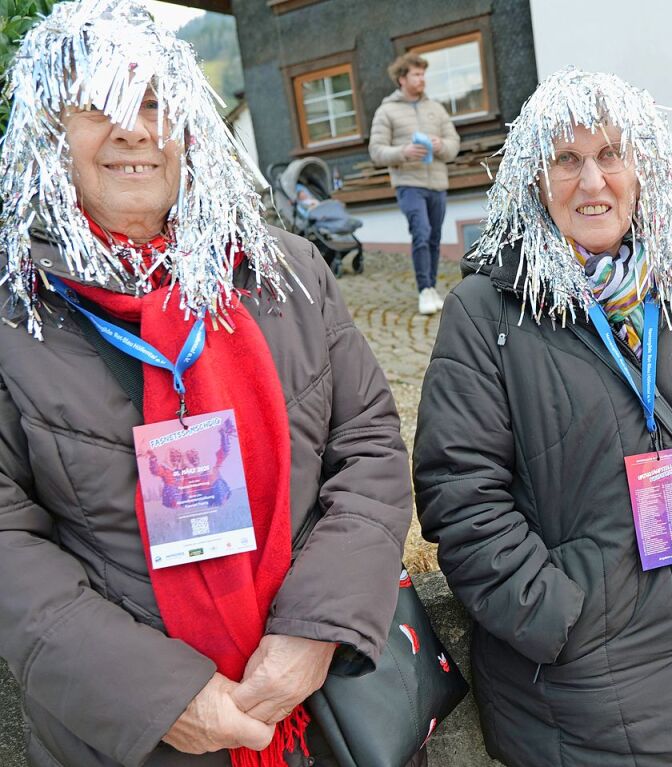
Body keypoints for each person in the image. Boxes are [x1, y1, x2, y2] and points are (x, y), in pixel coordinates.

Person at [0, 2, 414, 765]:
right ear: (50, 132)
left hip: (321, 717)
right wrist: (160, 697)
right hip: (128, 739)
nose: (132, 128)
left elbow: (370, 449)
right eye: (99, 104)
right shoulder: (13, 315)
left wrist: (319, 630)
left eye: (155, 102)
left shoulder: (287, 271)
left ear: (189, 128)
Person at [413, 68, 672, 767]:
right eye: (566, 160)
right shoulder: (488, 312)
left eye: (611, 154)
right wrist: (559, 611)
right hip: (585, 690)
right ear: (533, 180)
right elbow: (460, 495)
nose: (593, 182)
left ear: (644, 168)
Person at [368, 52, 460, 316]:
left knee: (434, 237)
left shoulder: (436, 109)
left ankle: (431, 288)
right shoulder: (386, 111)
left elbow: (454, 144)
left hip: (437, 184)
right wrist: (403, 152)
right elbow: (376, 151)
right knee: (421, 231)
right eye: (416, 74)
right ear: (401, 79)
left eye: (423, 74)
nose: (422, 79)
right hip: (408, 183)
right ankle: (423, 291)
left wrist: (442, 145)